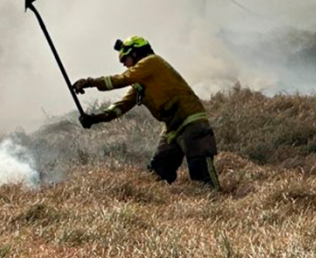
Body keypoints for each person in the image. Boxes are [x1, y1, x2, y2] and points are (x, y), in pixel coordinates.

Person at [72, 36, 220, 190]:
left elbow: (123, 79)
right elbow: (120, 107)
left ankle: (217, 205)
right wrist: (94, 118)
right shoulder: (140, 84)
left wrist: (90, 82)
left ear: (135, 53)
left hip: (191, 121)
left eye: (125, 59)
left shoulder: (152, 62)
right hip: (172, 129)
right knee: (156, 174)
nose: (124, 65)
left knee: (201, 172)